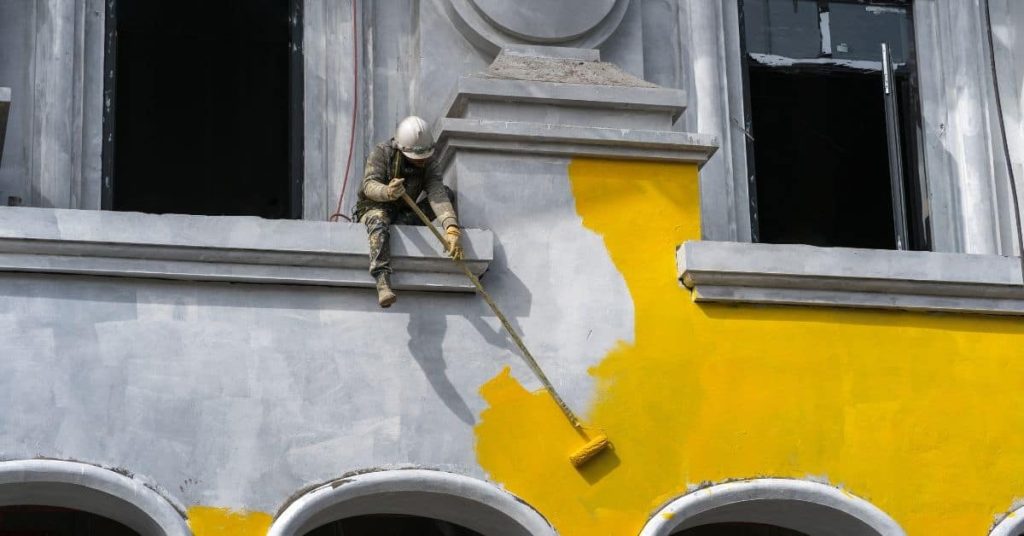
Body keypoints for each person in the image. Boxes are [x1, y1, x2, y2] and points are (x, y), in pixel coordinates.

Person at [353, 116, 463, 308]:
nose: (420, 162)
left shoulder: (429, 163)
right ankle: (383, 281)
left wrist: (451, 227)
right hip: (375, 209)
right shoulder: (382, 153)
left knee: (447, 193)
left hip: (405, 214)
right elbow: (369, 184)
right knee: (379, 220)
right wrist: (387, 191)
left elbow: (437, 192)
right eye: (416, 158)